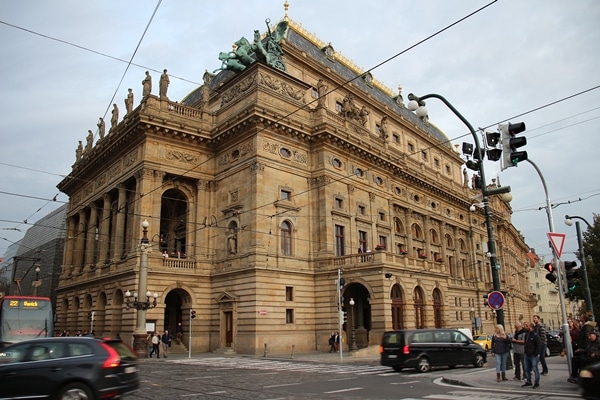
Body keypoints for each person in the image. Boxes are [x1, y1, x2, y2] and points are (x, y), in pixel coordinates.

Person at [522, 321, 541, 389]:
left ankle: (536, 382)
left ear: (531, 328)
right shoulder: (527, 335)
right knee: (527, 369)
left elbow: (538, 346)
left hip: (533, 356)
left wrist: (535, 353)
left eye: (527, 326)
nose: (525, 327)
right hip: (527, 354)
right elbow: (525, 344)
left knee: (535, 369)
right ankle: (529, 381)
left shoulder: (535, 336)